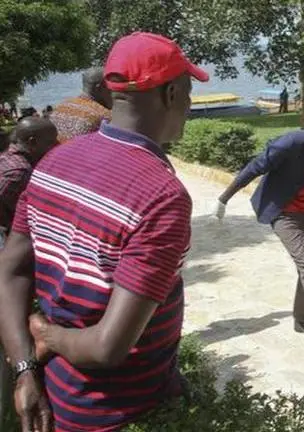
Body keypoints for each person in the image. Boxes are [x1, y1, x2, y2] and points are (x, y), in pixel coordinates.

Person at [0, 31, 207, 431]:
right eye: (187, 91)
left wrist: (24, 368)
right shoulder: (162, 196)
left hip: (55, 393)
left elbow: (11, 270)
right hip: (118, 411)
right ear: (170, 93)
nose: (190, 104)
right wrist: (47, 336)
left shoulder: (55, 161)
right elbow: (107, 347)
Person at [215, 104, 304, 365]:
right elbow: (254, 167)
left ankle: (301, 321)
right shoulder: (291, 143)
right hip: (283, 211)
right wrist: (224, 199)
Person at [0, 117, 57, 425]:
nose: (56, 147)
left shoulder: (6, 160)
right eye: (51, 142)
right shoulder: (19, 174)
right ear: (32, 143)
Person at [49, 67, 113, 143]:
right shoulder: (104, 117)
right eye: (111, 86)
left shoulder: (59, 108)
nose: (114, 91)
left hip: (55, 153)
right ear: (100, 88)